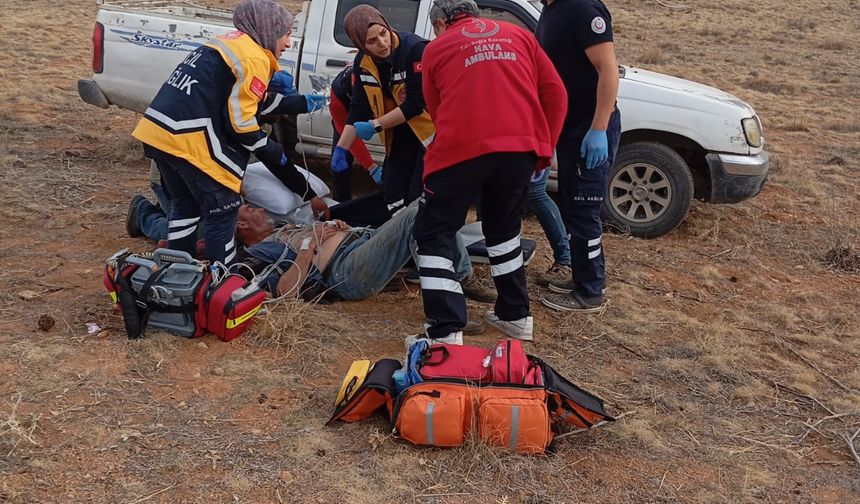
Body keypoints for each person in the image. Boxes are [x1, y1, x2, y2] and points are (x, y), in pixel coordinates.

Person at [409, 0, 567, 345]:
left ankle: (445, 330)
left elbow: (436, 108)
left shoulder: (437, 49)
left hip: (462, 150)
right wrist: (544, 147)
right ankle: (516, 316)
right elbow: (556, 92)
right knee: (504, 230)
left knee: (433, 233)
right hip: (519, 150)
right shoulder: (520, 35)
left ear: (439, 23)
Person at [131, 0, 329, 265]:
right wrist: (270, 150)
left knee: (185, 208)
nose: (289, 43)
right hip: (188, 142)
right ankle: (220, 280)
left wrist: (304, 103)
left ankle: (177, 271)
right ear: (269, 30)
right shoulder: (254, 57)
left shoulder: (228, 45)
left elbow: (249, 101)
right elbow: (242, 124)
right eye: (287, 33)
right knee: (223, 211)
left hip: (159, 134)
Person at [536, 0, 621, 313]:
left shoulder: (583, 9)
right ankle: (582, 276)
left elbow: (608, 69)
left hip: (590, 130)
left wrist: (598, 128)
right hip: (569, 130)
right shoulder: (551, 10)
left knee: (585, 212)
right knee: (572, 207)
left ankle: (590, 291)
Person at [330, 5, 435, 218]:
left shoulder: (414, 50)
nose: (382, 43)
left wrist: (375, 125)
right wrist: (342, 148)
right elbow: (358, 109)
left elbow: (415, 104)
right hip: (397, 133)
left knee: (418, 196)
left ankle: (419, 242)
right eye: (371, 41)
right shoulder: (364, 62)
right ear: (360, 44)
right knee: (393, 193)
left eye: (383, 33)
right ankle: (397, 238)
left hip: (427, 137)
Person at [329, 64, 383, 202]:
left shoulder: (384, 81)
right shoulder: (338, 91)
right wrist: (371, 167)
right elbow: (346, 133)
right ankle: (341, 206)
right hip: (348, 118)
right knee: (340, 163)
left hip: (386, 112)